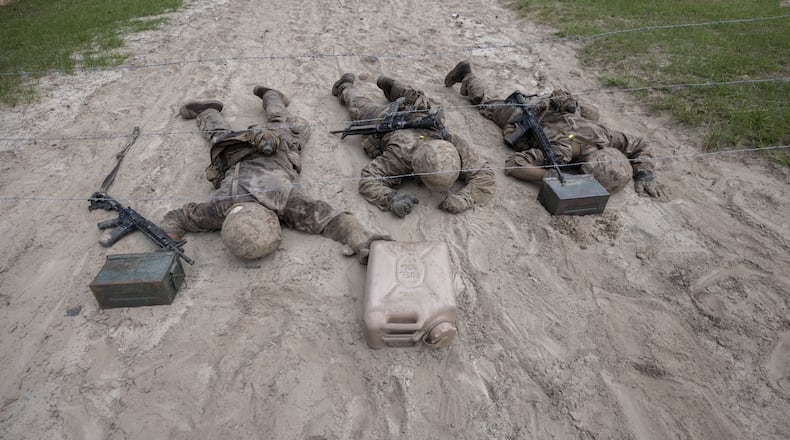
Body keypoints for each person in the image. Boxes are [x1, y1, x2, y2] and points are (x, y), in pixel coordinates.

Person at [160, 85, 385, 263]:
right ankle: (236, 105)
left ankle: (250, 101)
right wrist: (361, 242)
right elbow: (335, 221)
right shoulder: (279, 202)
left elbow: (177, 219)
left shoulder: (221, 209)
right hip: (235, 150)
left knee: (284, 126)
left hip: (245, 148)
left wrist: (362, 244)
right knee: (267, 128)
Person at [444, 61, 665, 198]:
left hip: (554, 112)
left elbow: (640, 144)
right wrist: (551, 175)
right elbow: (513, 165)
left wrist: (644, 173)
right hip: (525, 115)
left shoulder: (604, 137)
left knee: (590, 115)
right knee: (488, 103)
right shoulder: (561, 154)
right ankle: (467, 75)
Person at [331, 73, 496, 217]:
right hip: (389, 119)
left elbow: (484, 175)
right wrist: (391, 198)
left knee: (418, 100)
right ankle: (344, 86)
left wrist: (463, 199)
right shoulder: (401, 155)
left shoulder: (453, 143)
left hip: (420, 115)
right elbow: (368, 179)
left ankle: (391, 87)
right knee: (362, 107)